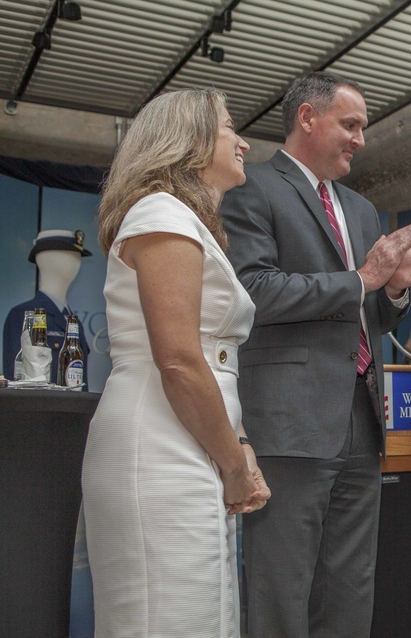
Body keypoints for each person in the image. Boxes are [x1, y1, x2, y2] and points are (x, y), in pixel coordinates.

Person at [219, 71, 411, 637]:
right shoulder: (251, 187)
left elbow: (367, 315)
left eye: (362, 128)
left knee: (350, 586)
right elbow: (255, 291)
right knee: (282, 587)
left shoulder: (363, 210)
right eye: (350, 125)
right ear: (307, 118)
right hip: (290, 420)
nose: (360, 139)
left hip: (361, 420)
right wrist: (362, 277)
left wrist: (395, 289)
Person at [81, 88, 270, 636]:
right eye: (231, 127)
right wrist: (234, 465)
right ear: (190, 141)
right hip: (159, 445)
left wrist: (237, 445)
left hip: (193, 441)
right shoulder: (161, 214)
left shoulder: (183, 220)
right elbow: (181, 362)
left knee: (201, 617)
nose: (243, 141)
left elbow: (211, 359)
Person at [3, 229, 93, 386]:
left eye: (77, 257)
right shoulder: (22, 315)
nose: (76, 262)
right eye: (68, 256)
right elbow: (16, 382)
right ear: (45, 260)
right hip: (41, 408)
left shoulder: (73, 323)